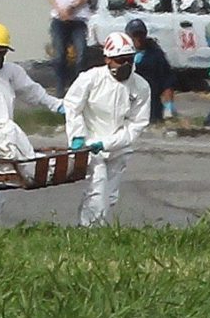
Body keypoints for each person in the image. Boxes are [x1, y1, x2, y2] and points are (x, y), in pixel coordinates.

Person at [0, 21, 64, 225]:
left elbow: (33, 92)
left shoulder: (10, 72)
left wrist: (58, 105)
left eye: (3, 53)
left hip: (3, 141)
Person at [64, 31, 151, 227]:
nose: (125, 65)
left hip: (119, 147)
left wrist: (108, 143)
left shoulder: (140, 86)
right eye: (120, 60)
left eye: (129, 59)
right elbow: (73, 107)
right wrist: (77, 136)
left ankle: (88, 227)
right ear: (107, 59)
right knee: (97, 188)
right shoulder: (91, 79)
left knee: (109, 196)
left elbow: (136, 124)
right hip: (90, 144)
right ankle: (89, 231)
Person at [124, 19, 175, 122]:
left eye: (141, 34)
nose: (138, 38)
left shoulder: (156, 54)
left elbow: (167, 80)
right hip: (128, 103)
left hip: (151, 105)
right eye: (135, 35)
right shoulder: (122, 54)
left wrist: (168, 106)